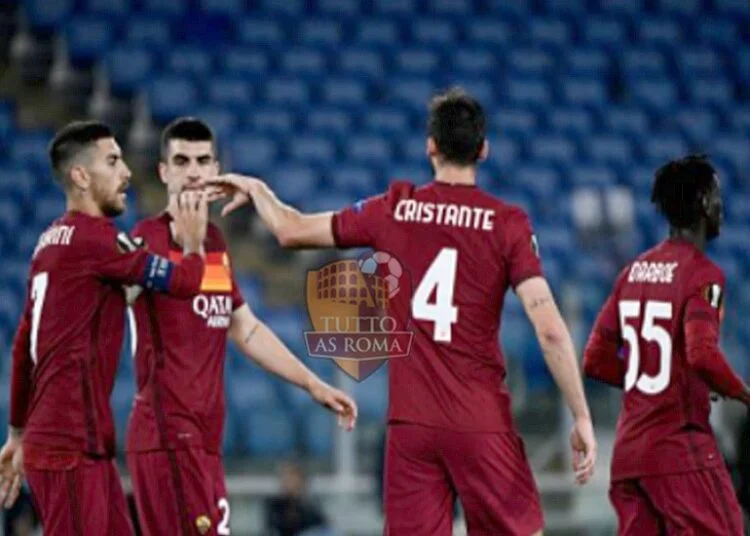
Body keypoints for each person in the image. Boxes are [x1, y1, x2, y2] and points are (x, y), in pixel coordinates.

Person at [204, 88, 597, 536]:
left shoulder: (395, 207)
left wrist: (257, 189)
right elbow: (548, 331)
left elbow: (290, 230)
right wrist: (581, 415)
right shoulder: (507, 223)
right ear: (484, 150)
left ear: (430, 146)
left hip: (412, 427)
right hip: (480, 421)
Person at [125, 118, 358, 536]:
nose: (194, 172)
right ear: (163, 172)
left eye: (202, 161)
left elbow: (243, 327)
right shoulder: (146, 243)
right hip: (167, 439)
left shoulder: (214, 243)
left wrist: (312, 384)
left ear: (216, 169)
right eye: (181, 161)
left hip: (205, 441)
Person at [0, 120, 209, 535]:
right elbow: (186, 282)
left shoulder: (50, 243)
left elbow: (25, 344)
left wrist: (17, 432)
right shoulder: (97, 241)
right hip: (70, 445)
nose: (127, 172)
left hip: (74, 442)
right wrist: (193, 244)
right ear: (80, 176)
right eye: (113, 161)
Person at [583, 155, 747, 535]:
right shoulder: (703, 274)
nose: (722, 205)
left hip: (629, 457)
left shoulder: (632, 272)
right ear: (705, 202)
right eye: (717, 195)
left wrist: (650, 381)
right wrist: (742, 393)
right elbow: (703, 353)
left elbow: (594, 359)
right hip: (680, 450)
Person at [265, 461, 329, 536]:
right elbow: (275, 527)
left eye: (295, 478)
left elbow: (321, 526)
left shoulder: (310, 505)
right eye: (288, 478)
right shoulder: (274, 505)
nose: (292, 482)